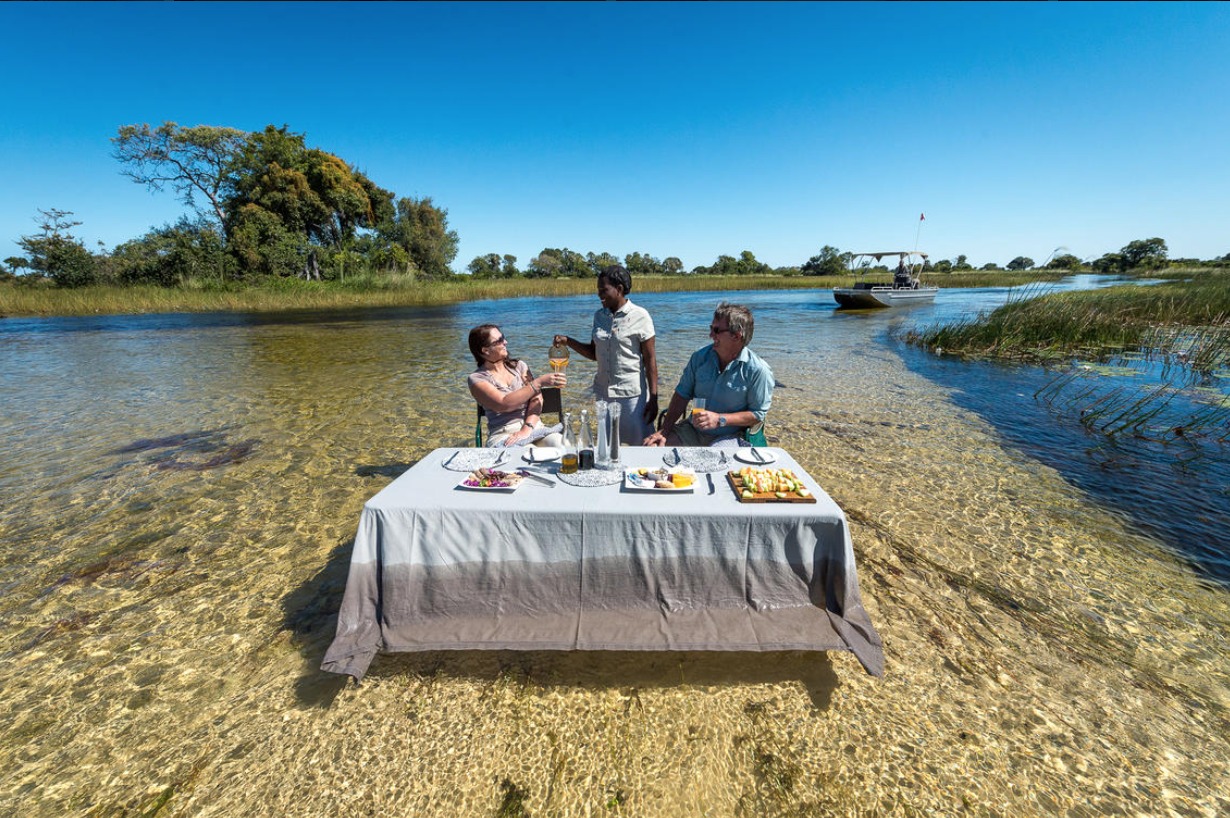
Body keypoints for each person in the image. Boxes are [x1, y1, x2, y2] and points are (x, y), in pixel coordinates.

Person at [553, 264, 659, 445]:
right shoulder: (599, 317)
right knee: (608, 446)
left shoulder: (641, 316)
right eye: (598, 290)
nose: (599, 294)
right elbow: (594, 354)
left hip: (631, 395)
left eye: (604, 290)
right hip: (603, 393)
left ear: (619, 289)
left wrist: (654, 398)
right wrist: (568, 341)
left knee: (640, 445)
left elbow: (650, 361)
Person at [643, 302, 772, 448]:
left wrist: (720, 419)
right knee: (653, 447)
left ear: (736, 336)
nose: (711, 335)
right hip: (693, 431)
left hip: (732, 435)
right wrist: (664, 431)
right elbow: (682, 395)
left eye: (716, 330)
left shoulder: (758, 370)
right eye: (711, 328)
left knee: (714, 457)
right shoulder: (699, 358)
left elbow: (757, 414)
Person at [467, 324, 566, 447]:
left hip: (533, 426)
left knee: (563, 443)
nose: (506, 342)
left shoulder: (519, 366)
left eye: (503, 337)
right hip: (503, 434)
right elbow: (504, 404)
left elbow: (537, 398)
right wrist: (538, 382)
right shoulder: (477, 378)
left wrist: (527, 428)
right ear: (485, 350)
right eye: (499, 340)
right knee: (528, 453)